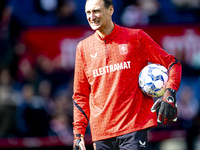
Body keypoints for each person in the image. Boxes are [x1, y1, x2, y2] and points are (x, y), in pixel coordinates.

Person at [72, 0, 182, 149]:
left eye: (96, 11)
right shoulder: (83, 48)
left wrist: (170, 93)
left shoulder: (135, 37)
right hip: (101, 134)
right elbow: (80, 95)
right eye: (88, 12)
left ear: (110, 10)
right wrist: (78, 134)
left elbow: (172, 63)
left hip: (133, 129)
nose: (92, 16)